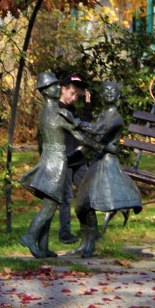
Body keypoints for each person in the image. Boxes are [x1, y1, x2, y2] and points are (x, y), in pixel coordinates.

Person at [18, 72, 101, 259]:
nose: (57, 88)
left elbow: (42, 141)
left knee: (50, 203)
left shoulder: (46, 112)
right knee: (50, 205)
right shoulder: (57, 112)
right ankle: (29, 236)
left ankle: (43, 245)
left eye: (57, 85)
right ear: (45, 91)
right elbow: (79, 133)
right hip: (56, 162)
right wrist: (100, 145)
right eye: (53, 86)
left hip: (48, 159)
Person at [72, 81, 143, 258]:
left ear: (118, 94)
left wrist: (75, 122)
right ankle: (86, 241)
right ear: (101, 95)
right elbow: (96, 136)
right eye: (106, 91)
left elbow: (98, 131)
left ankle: (90, 243)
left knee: (91, 202)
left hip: (107, 163)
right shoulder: (104, 113)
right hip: (98, 159)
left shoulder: (115, 117)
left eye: (113, 90)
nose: (109, 93)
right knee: (82, 204)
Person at [57, 74, 93, 244]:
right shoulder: (57, 109)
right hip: (64, 159)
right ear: (63, 89)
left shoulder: (72, 110)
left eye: (76, 95)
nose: (73, 98)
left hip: (77, 158)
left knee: (87, 192)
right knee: (66, 197)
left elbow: (84, 126)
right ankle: (64, 232)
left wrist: (87, 104)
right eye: (71, 93)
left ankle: (89, 229)